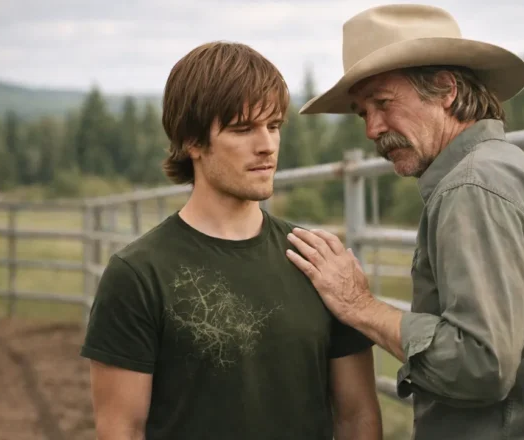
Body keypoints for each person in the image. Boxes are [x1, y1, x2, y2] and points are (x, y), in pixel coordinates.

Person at [286, 4, 524, 440]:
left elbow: (479, 365)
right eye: (361, 113)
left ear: (446, 89)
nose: (372, 128)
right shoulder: (514, 172)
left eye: (383, 103)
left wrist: (360, 307)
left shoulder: (471, 188)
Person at [79, 41, 382, 440]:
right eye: (243, 129)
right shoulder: (138, 275)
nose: (267, 145)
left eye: (273, 126)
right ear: (192, 141)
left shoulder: (318, 261)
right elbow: (122, 430)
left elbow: (357, 416)